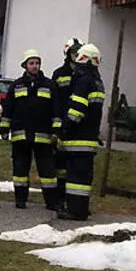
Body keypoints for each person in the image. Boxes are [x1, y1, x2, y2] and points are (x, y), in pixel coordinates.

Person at [0, 49, 60, 210]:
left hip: (43, 136)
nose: (35, 66)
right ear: (25, 65)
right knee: (20, 169)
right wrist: (4, 128)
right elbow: (8, 109)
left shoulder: (50, 85)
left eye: (37, 63)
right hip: (21, 136)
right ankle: (20, 200)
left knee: (47, 171)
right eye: (31, 63)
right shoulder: (16, 85)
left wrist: (56, 131)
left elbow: (56, 111)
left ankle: (51, 202)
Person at [58, 42, 105, 221]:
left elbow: (77, 110)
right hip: (89, 138)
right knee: (84, 179)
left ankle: (75, 212)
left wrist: (65, 127)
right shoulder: (97, 81)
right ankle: (81, 209)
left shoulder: (83, 79)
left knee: (76, 179)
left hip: (78, 139)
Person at [50, 37, 83, 211]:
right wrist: (56, 126)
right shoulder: (59, 74)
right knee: (60, 165)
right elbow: (54, 101)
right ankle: (59, 199)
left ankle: (74, 202)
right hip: (63, 125)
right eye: (73, 53)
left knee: (75, 166)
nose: (76, 56)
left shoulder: (85, 74)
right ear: (68, 54)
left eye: (79, 53)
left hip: (78, 126)